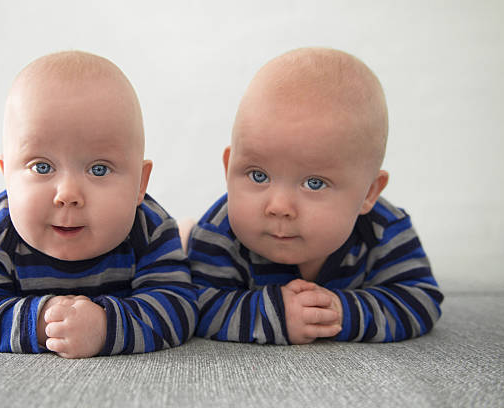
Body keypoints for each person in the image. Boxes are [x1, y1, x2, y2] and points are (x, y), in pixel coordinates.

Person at [184, 48, 443, 345]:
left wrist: (339, 312)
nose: (279, 207)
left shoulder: (384, 229)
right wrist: (276, 316)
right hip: (198, 245)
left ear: (369, 193)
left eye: (315, 183)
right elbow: (196, 304)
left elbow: (420, 298)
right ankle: (183, 233)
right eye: (258, 175)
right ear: (229, 168)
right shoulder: (220, 233)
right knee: (183, 251)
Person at [0, 51, 197, 358]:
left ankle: (187, 237)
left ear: (140, 185)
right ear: (7, 177)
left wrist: (105, 327)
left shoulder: (151, 228)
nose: (67, 194)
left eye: (99, 169)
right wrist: (41, 322)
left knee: (182, 256)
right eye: (41, 167)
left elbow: (178, 308)